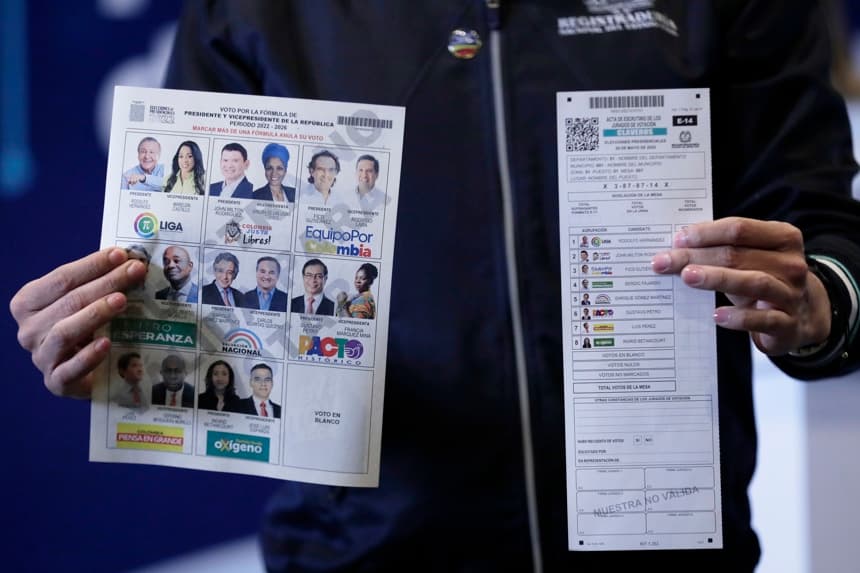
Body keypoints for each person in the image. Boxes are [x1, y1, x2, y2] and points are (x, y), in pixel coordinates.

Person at [11, 3, 860, 571]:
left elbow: (820, 224)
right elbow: (186, 282)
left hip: (668, 542)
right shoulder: (258, 9)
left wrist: (821, 301)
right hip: (364, 554)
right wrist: (116, 344)